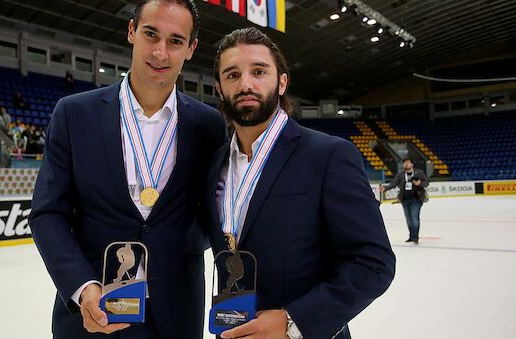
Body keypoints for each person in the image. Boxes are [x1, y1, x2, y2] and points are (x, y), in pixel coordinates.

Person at [29, 1, 227, 338]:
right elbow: (48, 213)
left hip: (176, 312)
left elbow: (217, 212)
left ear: (191, 48)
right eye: (151, 34)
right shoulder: (75, 114)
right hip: (94, 311)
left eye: (175, 41)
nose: (161, 52)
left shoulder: (209, 125)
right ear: (132, 30)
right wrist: (81, 286)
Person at [205, 27, 395, 339]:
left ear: (281, 82)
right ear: (219, 87)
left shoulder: (329, 155)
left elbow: (373, 264)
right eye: (232, 75)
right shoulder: (214, 165)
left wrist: (294, 322)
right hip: (232, 329)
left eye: (259, 71)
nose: (246, 84)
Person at [381, 157, 429, 244]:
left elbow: (427, 182)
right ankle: (411, 236)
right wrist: (385, 188)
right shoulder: (401, 174)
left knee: (414, 217)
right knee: (408, 219)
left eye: (408, 162)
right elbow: (394, 183)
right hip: (405, 199)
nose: (406, 164)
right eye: (404, 163)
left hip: (416, 199)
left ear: (412, 164)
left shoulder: (419, 173)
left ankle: (415, 237)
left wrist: (420, 183)